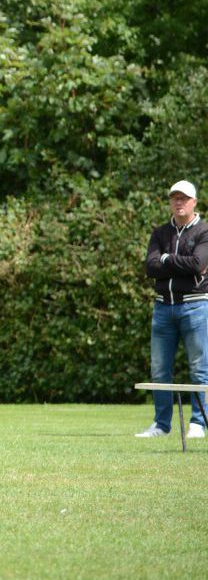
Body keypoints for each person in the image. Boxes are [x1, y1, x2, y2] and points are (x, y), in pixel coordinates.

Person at [138, 179, 208, 439]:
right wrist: (179, 264)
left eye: (184, 198)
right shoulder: (160, 233)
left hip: (195, 306)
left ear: (194, 202)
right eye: (175, 198)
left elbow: (198, 263)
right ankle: (161, 425)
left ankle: (198, 424)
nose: (179, 202)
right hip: (163, 308)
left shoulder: (204, 231)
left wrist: (166, 259)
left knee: (199, 368)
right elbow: (151, 267)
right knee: (159, 369)